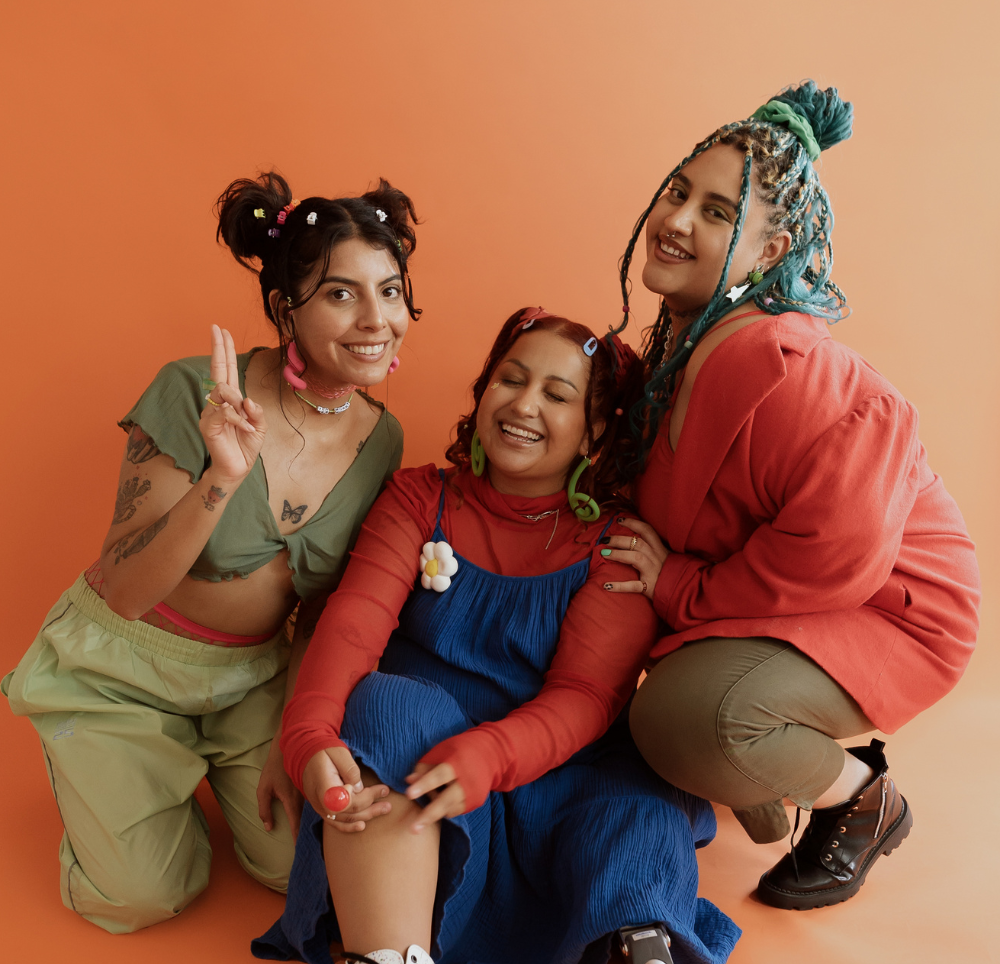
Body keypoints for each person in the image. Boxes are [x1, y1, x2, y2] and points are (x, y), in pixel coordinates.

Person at [252, 309, 741, 964]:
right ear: (483, 392)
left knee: (637, 808)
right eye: (510, 380)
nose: (524, 404)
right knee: (383, 708)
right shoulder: (418, 499)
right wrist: (306, 732)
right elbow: (354, 620)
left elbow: (586, 696)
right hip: (422, 762)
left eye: (557, 394)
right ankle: (390, 952)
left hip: (562, 767)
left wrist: (491, 754)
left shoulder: (615, 545)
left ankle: (631, 945)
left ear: (595, 430)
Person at [2, 171, 419, 933]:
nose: (376, 319)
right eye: (340, 293)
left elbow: (323, 603)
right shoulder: (192, 390)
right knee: (145, 895)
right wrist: (223, 478)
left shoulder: (382, 438)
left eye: (389, 291)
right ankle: (112, 765)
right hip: (121, 668)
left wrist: (296, 727)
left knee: (297, 864)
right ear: (282, 308)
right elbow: (126, 589)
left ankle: (187, 772)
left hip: (251, 680)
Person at [600, 82, 980, 910]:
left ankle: (859, 798)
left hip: (893, 606)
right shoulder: (679, 345)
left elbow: (838, 551)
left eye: (716, 211)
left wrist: (683, 588)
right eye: (679, 191)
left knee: (674, 720)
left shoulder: (787, 365)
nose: (678, 220)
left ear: (770, 252)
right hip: (801, 591)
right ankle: (757, 774)